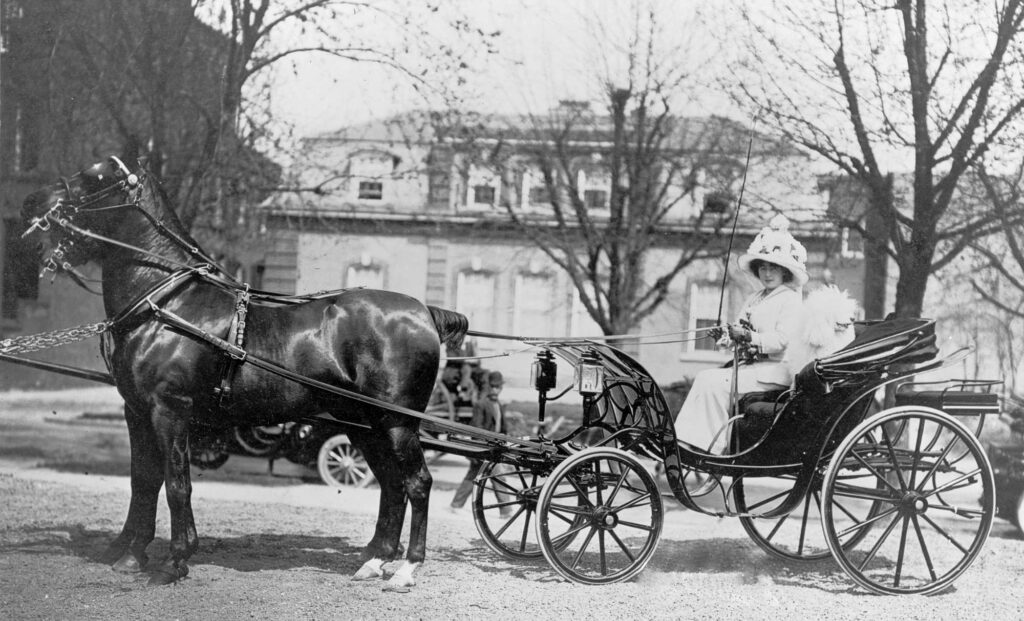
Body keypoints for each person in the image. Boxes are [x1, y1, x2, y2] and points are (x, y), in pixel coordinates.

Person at [675, 213, 808, 454]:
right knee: (706, 377)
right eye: (764, 268)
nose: (768, 274)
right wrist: (725, 338)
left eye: (774, 268)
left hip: (775, 372)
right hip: (751, 368)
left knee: (712, 381)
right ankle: (688, 442)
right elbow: (739, 332)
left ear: (785, 271)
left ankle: (711, 449)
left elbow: (781, 340)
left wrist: (748, 337)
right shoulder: (754, 298)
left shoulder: (790, 300)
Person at [449, 370, 512, 515]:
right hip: (484, 449)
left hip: (493, 448)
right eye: (493, 386)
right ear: (488, 387)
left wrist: (505, 440)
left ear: (501, 388)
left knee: (473, 476)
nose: (495, 390)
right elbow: (477, 429)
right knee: (497, 478)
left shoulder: (499, 405)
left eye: (498, 387)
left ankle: (456, 504)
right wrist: (481, 449)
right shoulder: (481, 404)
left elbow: (503, 428)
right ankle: (506, 510)